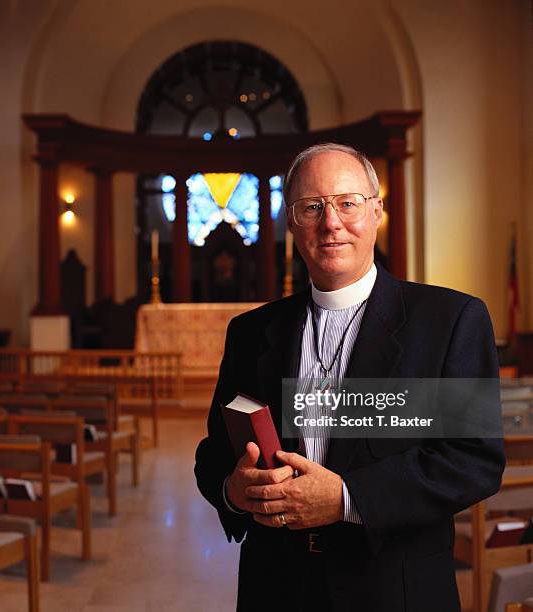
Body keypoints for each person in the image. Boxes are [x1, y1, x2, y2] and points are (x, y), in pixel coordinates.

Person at [194, 143, 505, 612]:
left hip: (392, 588)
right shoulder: (251, 332)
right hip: (275, 587)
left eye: (347, 202)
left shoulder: (450, 320)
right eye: (311, 207)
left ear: (376, 211)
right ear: (292, 223)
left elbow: (472, 459)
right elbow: (214, 454)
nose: (331, 222)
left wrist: (344, 497)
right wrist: (233, 492)